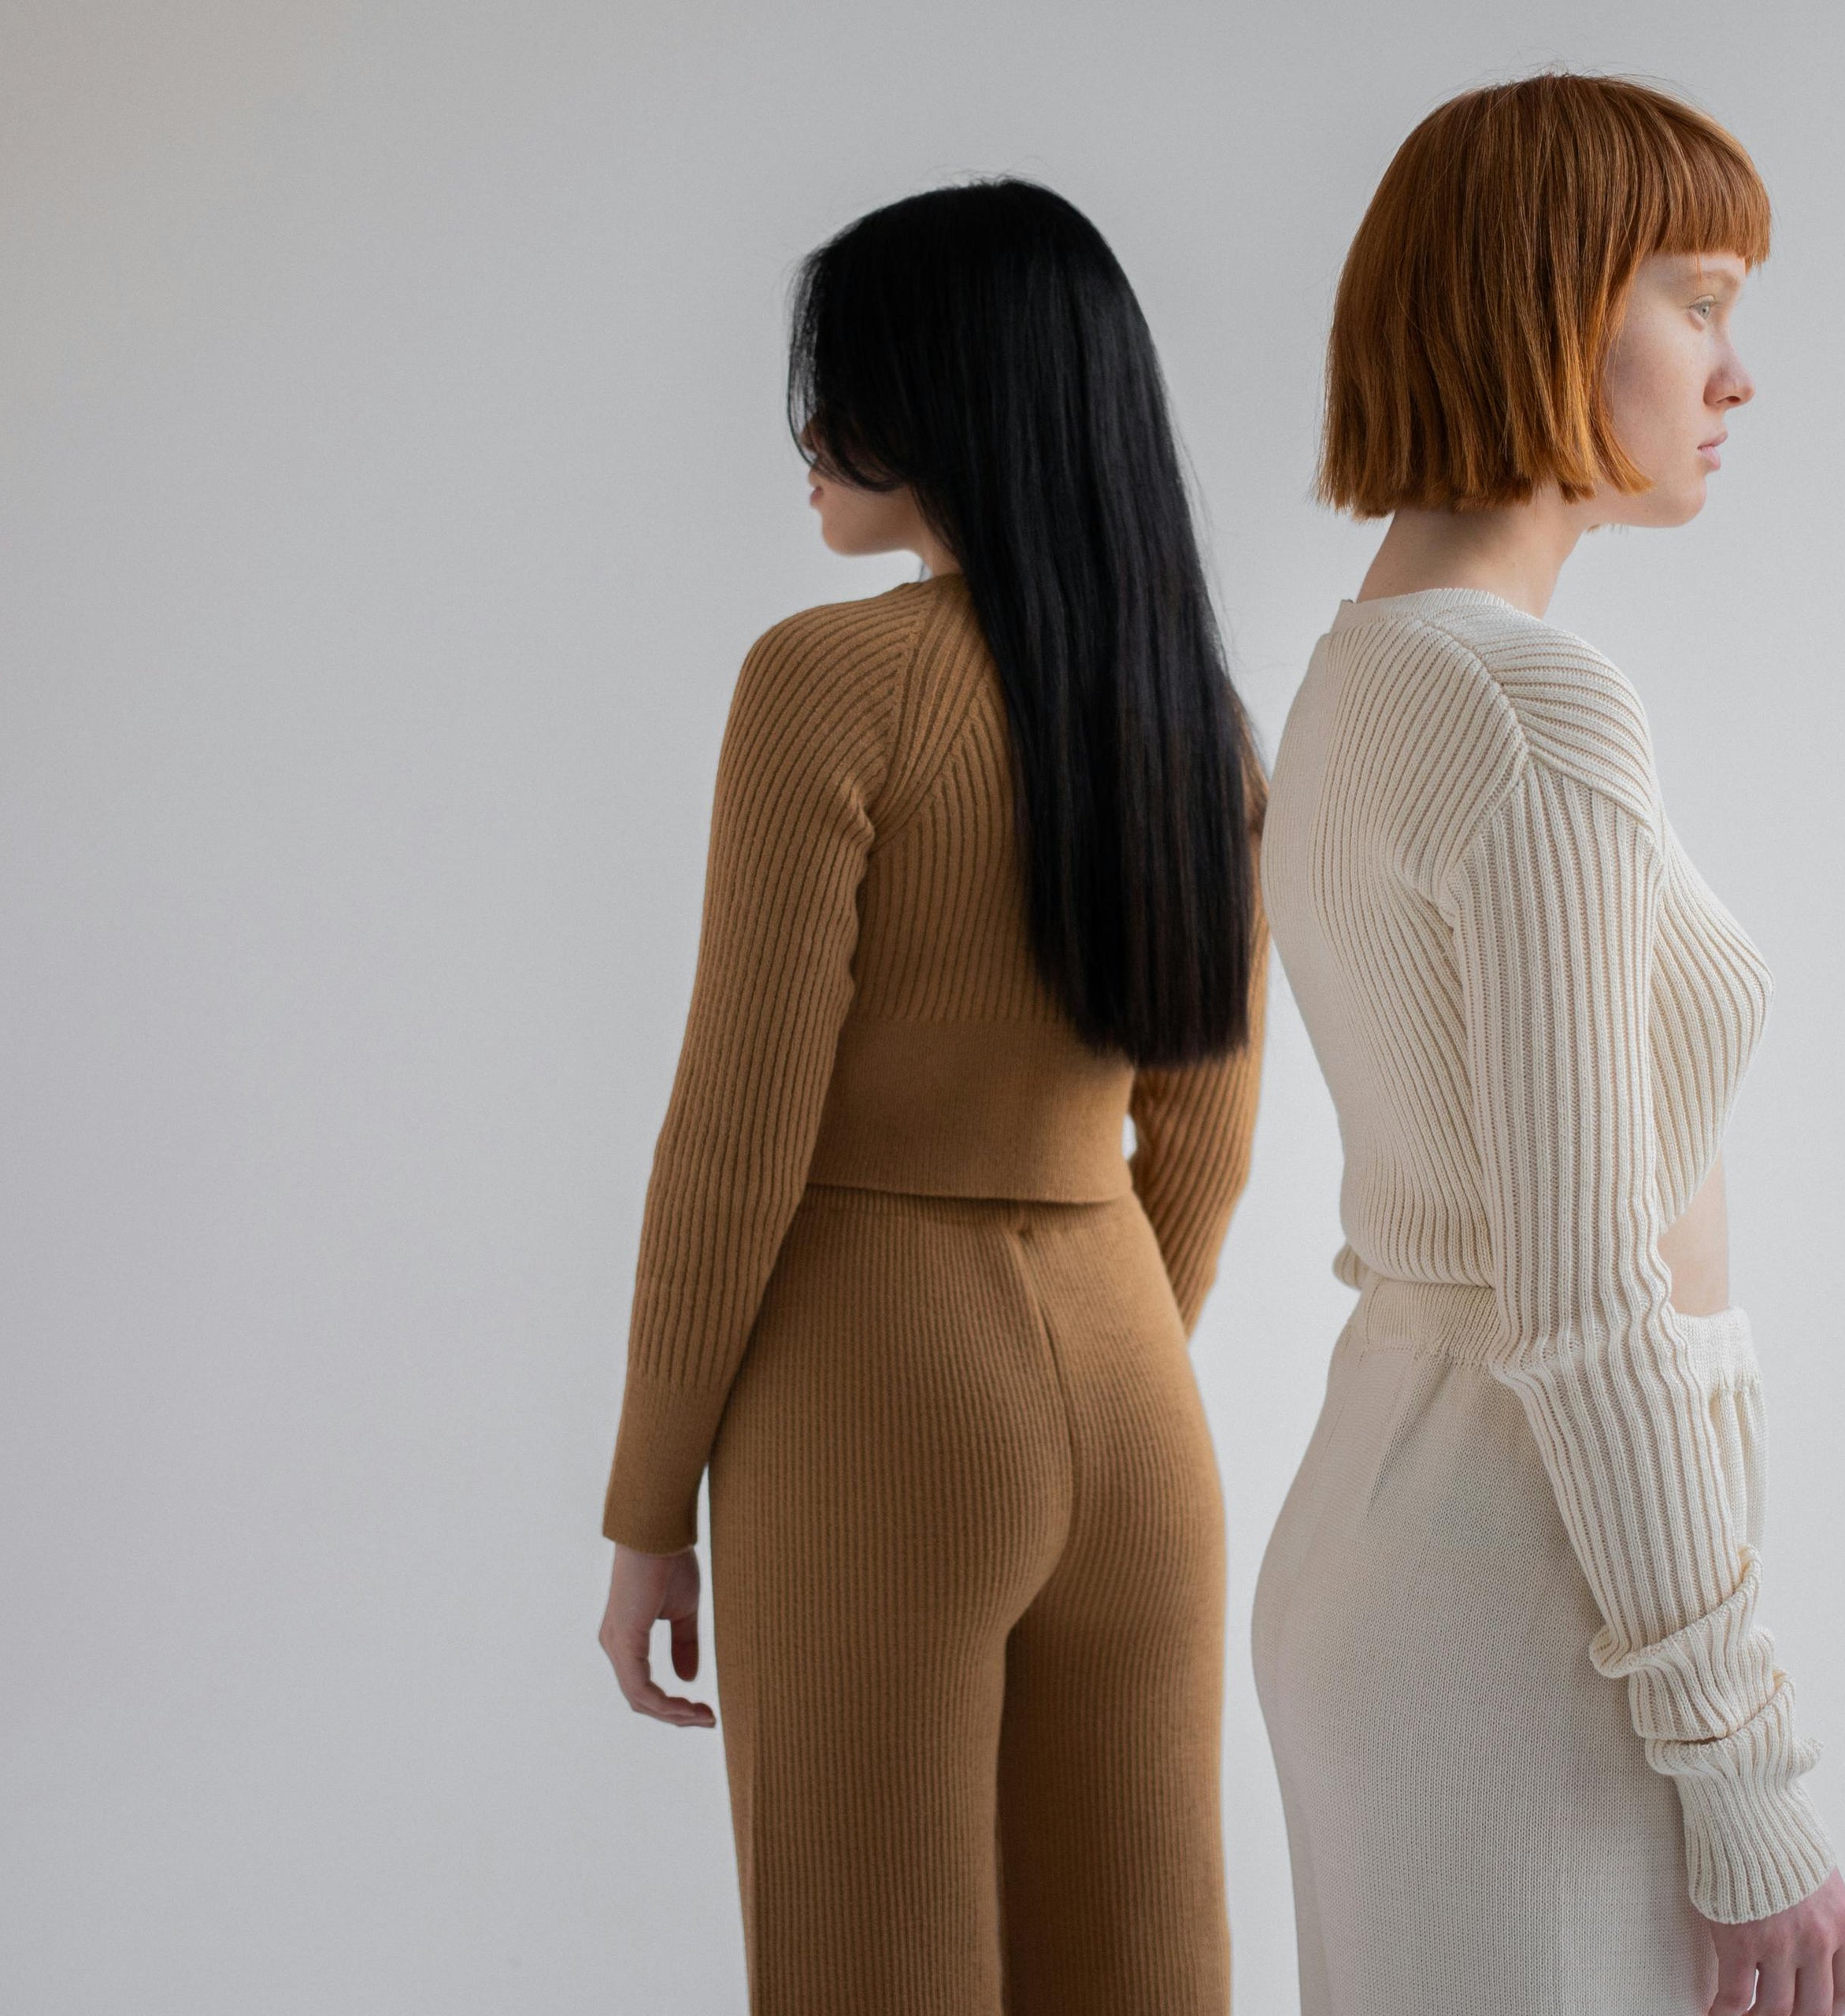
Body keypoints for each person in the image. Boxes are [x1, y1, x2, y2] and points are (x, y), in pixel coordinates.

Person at [592, 178, 1266, 2014]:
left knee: (869, 1972)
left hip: (873, 1385)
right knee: (1138, 1971)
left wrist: (649, 1505)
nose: (812, 431)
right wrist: (1098, 1360)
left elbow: (736, 1138)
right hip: (1137, 1399)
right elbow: (1207, 1139)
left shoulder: (829, 682)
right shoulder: (1191, 717)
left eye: (851, 382)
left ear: (954, 399)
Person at [1250, 75, 1845, 2016]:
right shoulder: (1531, 707)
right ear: (1548, 303)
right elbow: (1590, 1302)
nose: (1736, 371)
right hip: (1526, 1612)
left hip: (1405, 1538)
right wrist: (1745, 1771)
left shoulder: (1362, 670)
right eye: (1698, 300)